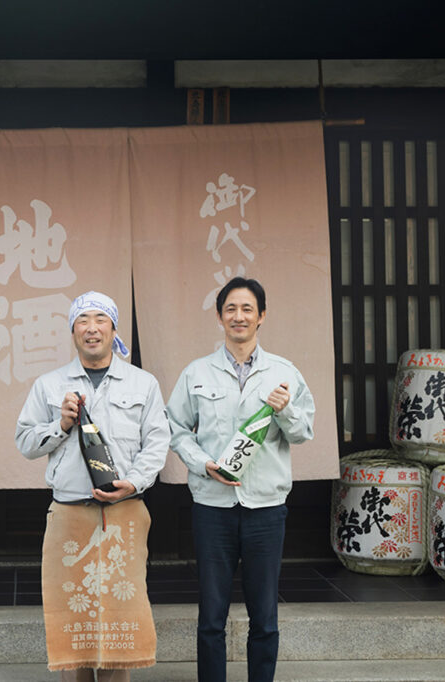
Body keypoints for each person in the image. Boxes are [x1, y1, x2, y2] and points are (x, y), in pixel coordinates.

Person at [166, 277, 315, 682]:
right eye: (231, 309)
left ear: (261, 316)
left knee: (264, 614)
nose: (239, 316)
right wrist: (202, 463)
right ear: (219, 316)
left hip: (266, 508)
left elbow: (303, 433)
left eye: (247, 309)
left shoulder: (283, 373)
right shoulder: (196, 372)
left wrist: (285, 411)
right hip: (213, 508)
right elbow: (175, 428)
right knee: (211, 614)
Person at [16, 291, 170, 682]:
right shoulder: (50, 385)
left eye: (101, 319)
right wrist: (61, 425)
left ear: (114, 329)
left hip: (124, 513)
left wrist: (133, 483)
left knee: (120, 620)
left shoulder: (143, 383)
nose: (92, 328)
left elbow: (157, 443)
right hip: (69, 515)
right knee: (73, 620)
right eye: (82, 320)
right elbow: (25, 442)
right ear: (72, 331)